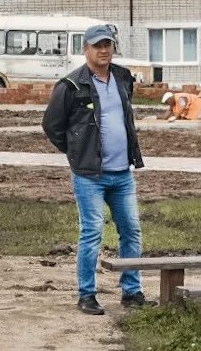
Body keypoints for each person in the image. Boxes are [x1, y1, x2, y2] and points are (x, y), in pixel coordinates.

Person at [43, 23, 152, 316]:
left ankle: (131, 291)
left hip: (122, 174)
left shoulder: (122, 77)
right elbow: (52, 126)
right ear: (85, 49)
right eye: (97, 45)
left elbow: (124, 118)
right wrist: (78, 152)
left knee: (131, 230)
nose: (103, 50)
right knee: (92, 232)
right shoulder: (71, 85)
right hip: (89, 175)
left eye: (108, 44)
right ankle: (86, 294)